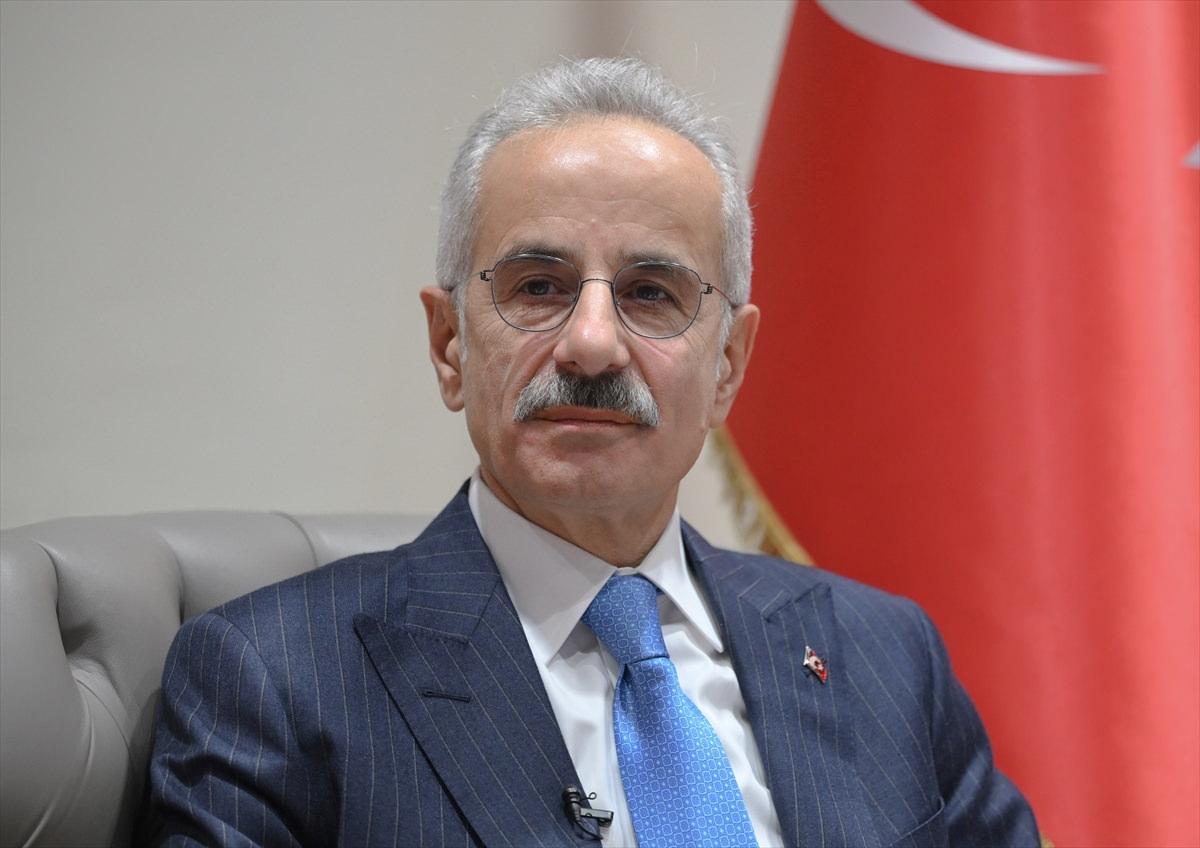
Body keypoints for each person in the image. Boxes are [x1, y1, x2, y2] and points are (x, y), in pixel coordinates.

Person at [144, 57, 1040, 847]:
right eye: (539, 286)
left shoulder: (887, 655)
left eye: (651, 293)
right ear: (451, 344)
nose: (593, 344)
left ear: (727, 367)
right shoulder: (274, 677)